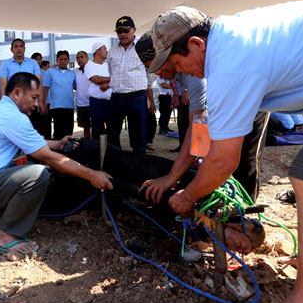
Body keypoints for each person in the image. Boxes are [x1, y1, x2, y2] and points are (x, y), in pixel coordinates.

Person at [146, 0, 303, 303]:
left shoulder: (227, 63)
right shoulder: (235, 37)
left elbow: (222, 160)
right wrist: (178, 178)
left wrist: (188, 195)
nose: (180, 74)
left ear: (195, 44)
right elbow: (206, 134)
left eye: (177, 66)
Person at [0, 72, 113, 254]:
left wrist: (59, 144)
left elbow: (33, 143)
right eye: (34, 97)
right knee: (37, 175)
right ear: (17, 93)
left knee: (20, 167)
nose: (37, 104)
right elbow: (48, 157)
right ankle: (4, 235)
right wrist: (91, 174)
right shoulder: (14, 118)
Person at [137, 31, 268, 203]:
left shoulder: (191, 74)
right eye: (151, 69)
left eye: (160, 66)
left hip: (252, 101)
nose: (158, 73)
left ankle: (246, 212)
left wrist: (172, 177)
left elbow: (196, 128)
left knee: (245, 158)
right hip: (221, 104)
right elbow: (201, 128)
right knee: (207, 158)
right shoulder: (174, 70)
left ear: (167, 56)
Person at [107, 16, 153, 154]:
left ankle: (138, 168)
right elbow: (111, 71)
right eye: (119, 31)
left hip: (137, 97)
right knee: (112, 133)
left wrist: (146, 85)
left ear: (134, 30)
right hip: (116, 98)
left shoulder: (143, 48)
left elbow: (151, 71)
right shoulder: (112, 50)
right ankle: (116, 165)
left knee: (138, 135)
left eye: (126, 30)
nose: (122, 34)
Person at [43, 50, 76, 139]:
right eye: (61, 59)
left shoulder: (72, 73)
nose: (63, 61)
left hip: (69, 106)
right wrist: (43, 104)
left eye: (65, 59)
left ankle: (68, 151)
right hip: (56, 107)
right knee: (58, 132)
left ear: (68, 60)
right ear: (57, 60)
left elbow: (76, 87)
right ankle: (57, 151)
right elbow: (45, 89)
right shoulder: (50, 72)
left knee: (69, 131)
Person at [85, 42, 113, 140]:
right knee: (97, 129)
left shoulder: (108, 65)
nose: (107, 51)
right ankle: (97, 153)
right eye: (104, 49)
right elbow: (96, 79)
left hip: (111, 102)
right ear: (97, 51)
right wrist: (112, 79)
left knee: (112, 129)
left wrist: (108, 84)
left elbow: (116, 80)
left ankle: (112, 152)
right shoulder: (89, 65)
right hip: (97, 103)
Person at [74, 50, 91, 139]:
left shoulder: (93, 69)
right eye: (77, 58)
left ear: (87, 58)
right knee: (86, 127)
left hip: (93, 103)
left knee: (99, 126)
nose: (79, 59)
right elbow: (74, 86)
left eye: (82, 57)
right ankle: (89, 147)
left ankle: (100, 146)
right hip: (81, 104)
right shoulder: (75, 71)